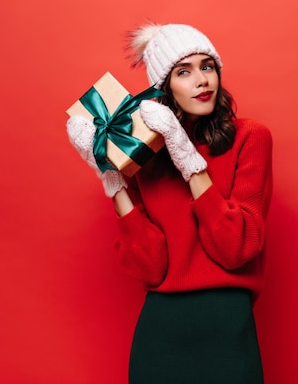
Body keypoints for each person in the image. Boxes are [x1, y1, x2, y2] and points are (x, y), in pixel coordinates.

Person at [66, 23, 273, 384]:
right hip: (161, 331)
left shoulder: (250, 137)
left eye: (207, 66)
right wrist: (113, 180)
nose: (201, 80)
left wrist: (184, 151)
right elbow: (149, 267)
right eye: (183, 71)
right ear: (164, 88)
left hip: (227, 324)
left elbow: (236, 247)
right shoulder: (143, 158)